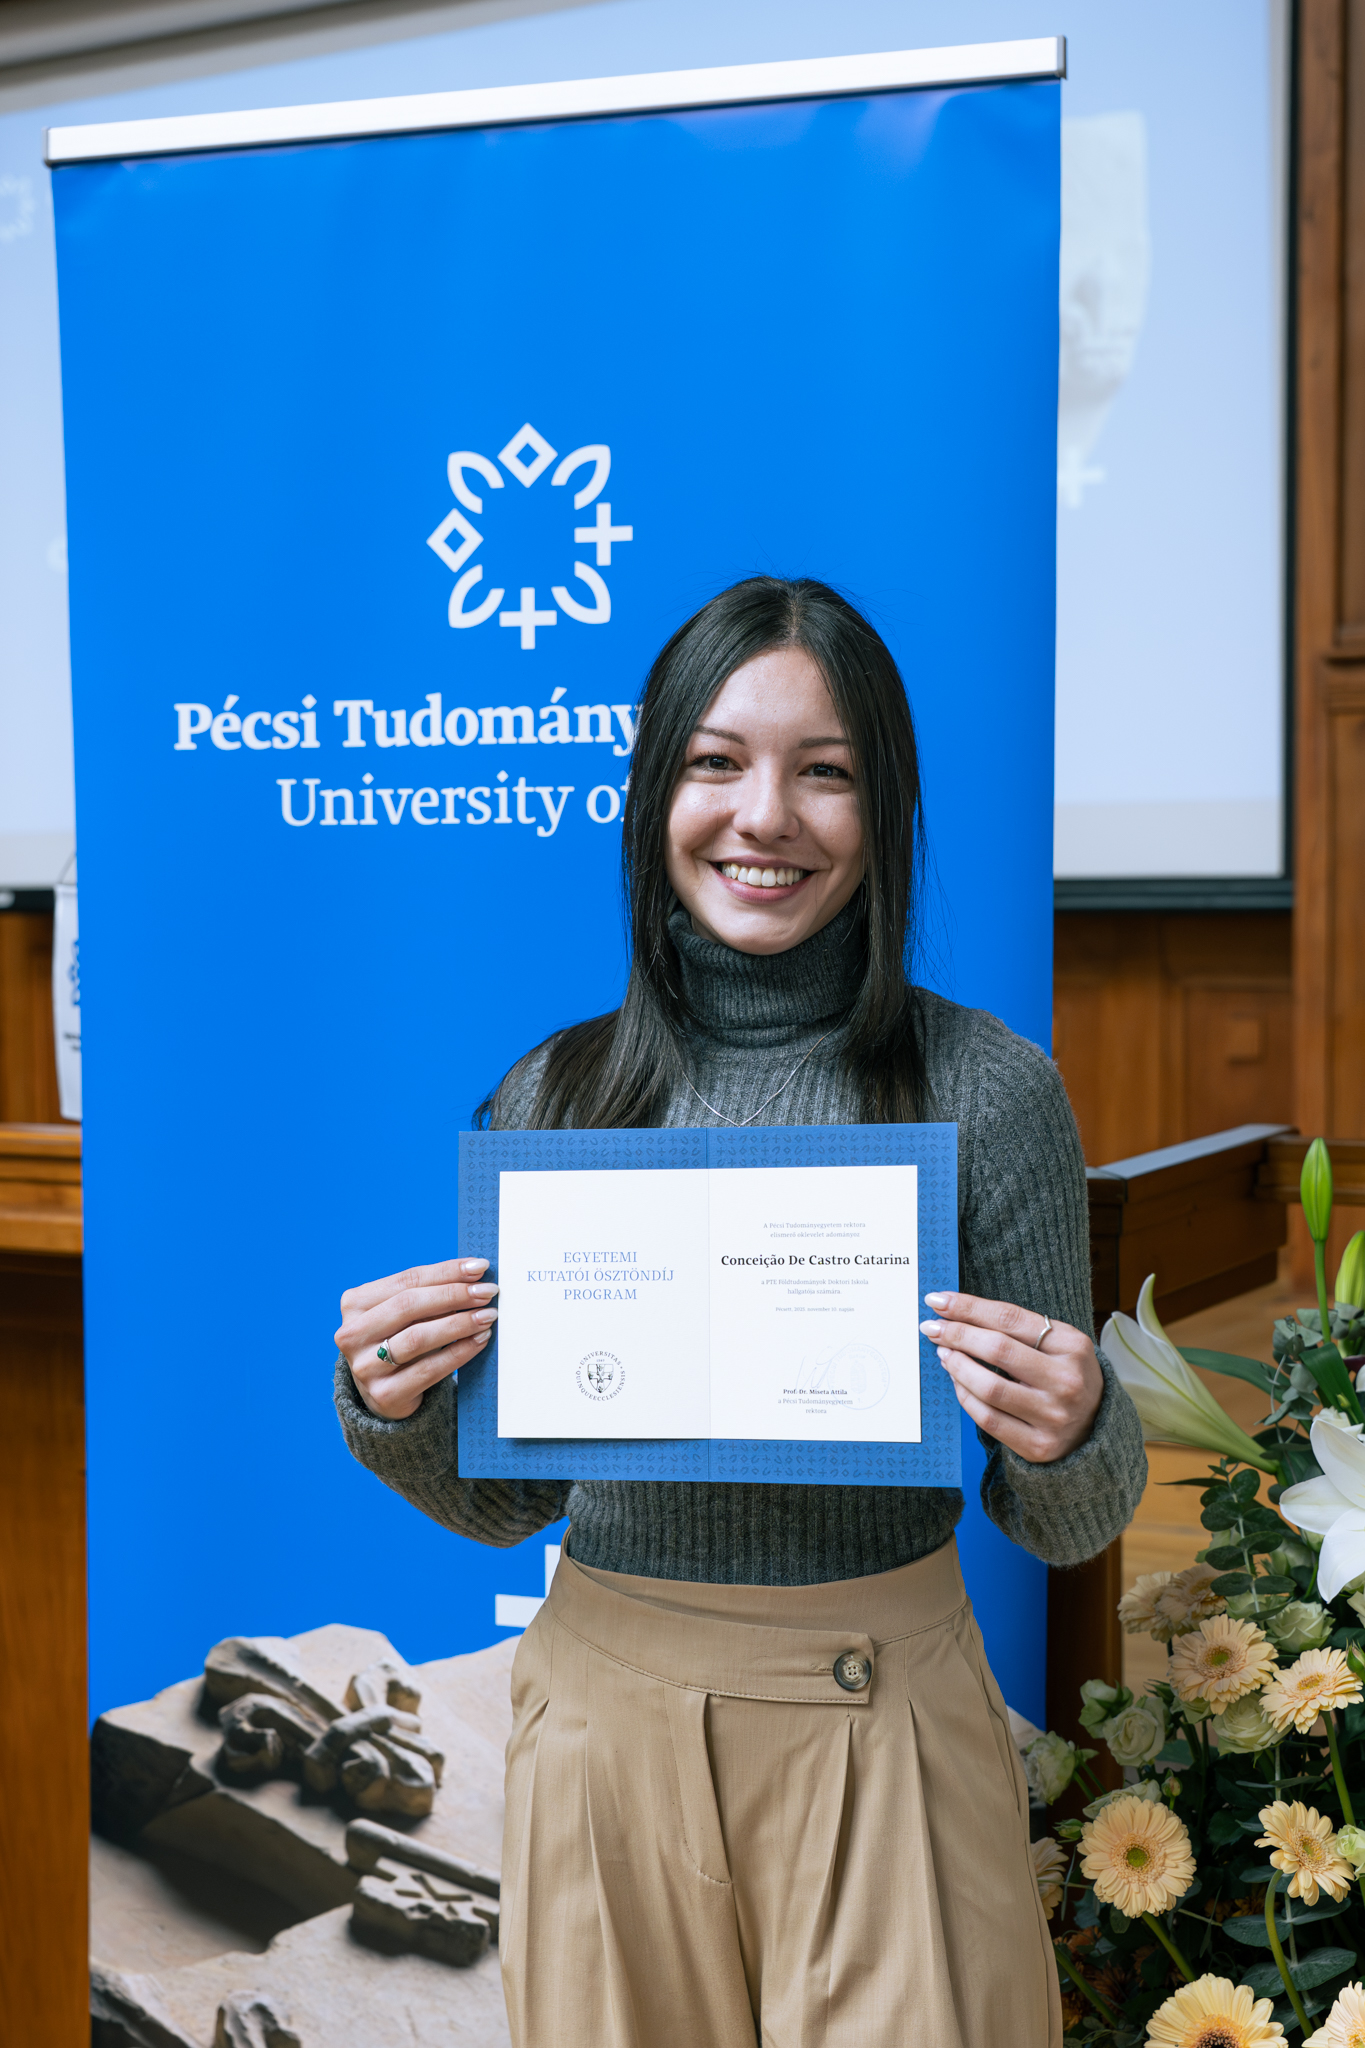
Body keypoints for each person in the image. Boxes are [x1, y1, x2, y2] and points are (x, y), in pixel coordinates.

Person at [333, 577, 1146, 2048]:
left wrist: (1076, 1429)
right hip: (603, 1726)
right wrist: (395, 1406)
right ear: (655, 793)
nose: (763, 817)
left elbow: (1066, 1525)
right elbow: (506, 1501)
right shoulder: (554, 1094)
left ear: (882, 811)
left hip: (889, 1721)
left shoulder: (988, 1089)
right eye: (715, 763)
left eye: (823, 772)